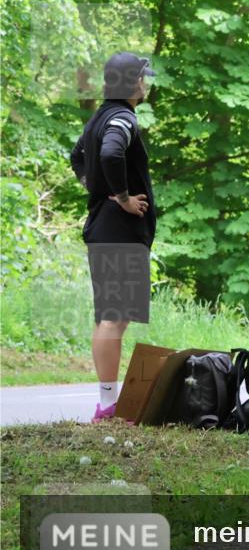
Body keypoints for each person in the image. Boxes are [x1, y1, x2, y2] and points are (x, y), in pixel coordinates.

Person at [70, 52, 156, 423]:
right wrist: (121, 197)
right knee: (113, 318)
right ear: (133, 83)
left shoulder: (100, 116)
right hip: (118, 230)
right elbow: (108, 152)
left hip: (105, 228)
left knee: (111, 317)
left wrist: (96, 187)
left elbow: (77, 155)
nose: (147, 83)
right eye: (143, 77)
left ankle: (106, 402)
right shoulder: (122, 117)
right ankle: (107, 406)